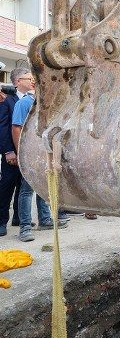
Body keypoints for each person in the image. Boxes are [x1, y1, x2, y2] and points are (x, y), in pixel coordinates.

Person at [11, 83, 68, 241]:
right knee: (27, 190)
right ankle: (25, 227)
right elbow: (16, 128)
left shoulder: (51, 103)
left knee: (44, 186)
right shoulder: (24, 103)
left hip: (45, 153)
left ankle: (44, 219)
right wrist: (20, 153)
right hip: (30, 154)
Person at [0, 68, 30, 235]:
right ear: (18, 81)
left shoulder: (31, 100)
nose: (32, 80)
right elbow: (3, 129)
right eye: (28, 78)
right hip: (11, 152)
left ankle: (18, 217)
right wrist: (8, 151)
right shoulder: (7, 101)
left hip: (26, 152)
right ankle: (1, 221)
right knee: (6, 187)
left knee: (22, 185)